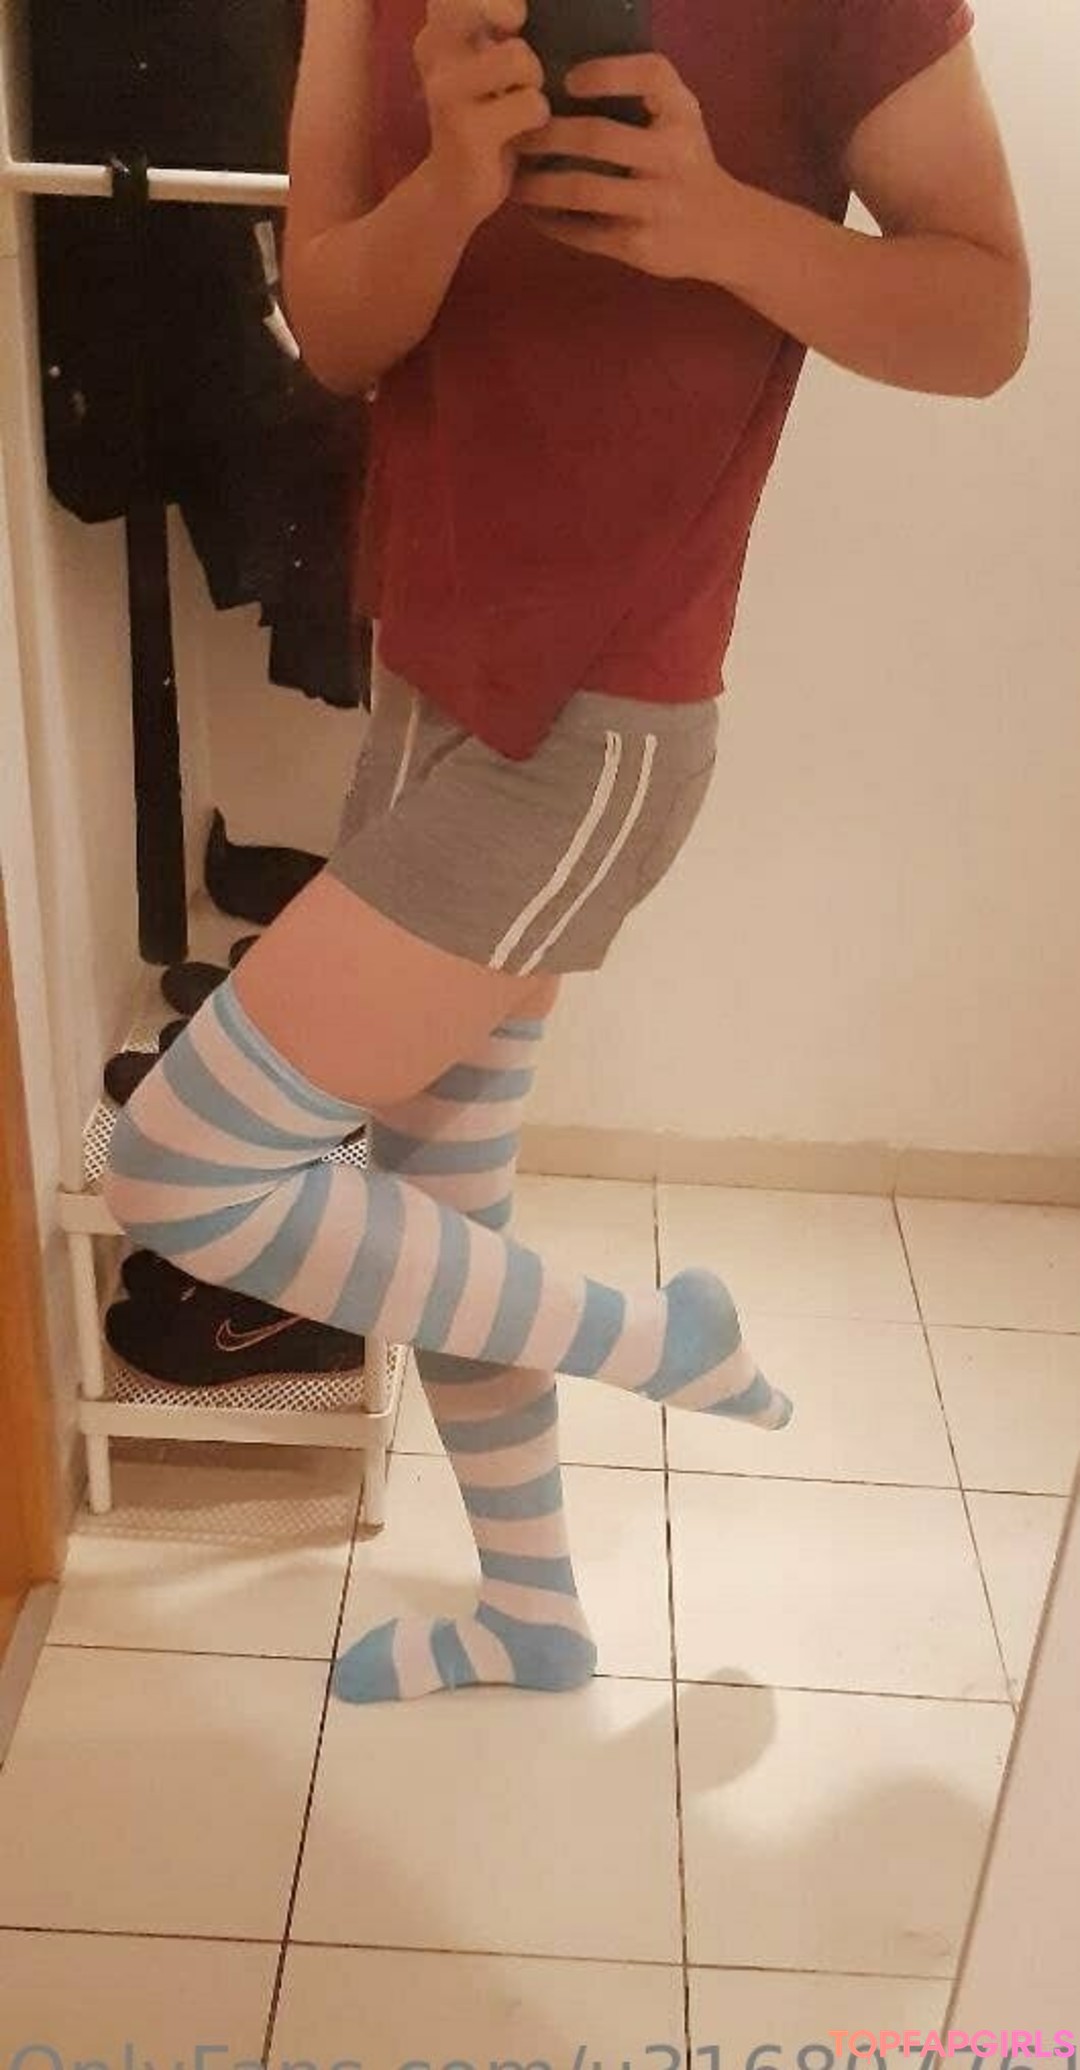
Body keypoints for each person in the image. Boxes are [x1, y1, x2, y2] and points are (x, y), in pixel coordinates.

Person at [102, 0, 1030, 1705]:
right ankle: (533, 1614)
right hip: (426, 669)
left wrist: (720, 224)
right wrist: (452, 184)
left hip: (595, 725)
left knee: (177, 1167)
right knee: (440, 1209)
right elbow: (334, 331)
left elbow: (987, 321)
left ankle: (661, 1340)